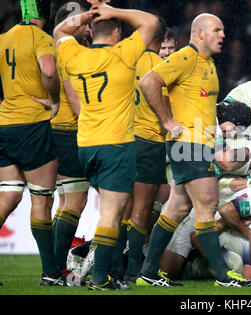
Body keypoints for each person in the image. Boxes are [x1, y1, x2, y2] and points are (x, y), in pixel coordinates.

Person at [136, 13, 251, 287]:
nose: (223, 35)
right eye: (217, 30)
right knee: (207, 204)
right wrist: (167, 121)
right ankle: (223, 276)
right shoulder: (185, 58)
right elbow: (149, 82)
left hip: (197, 143)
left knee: (177, 207)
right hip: (189, 144)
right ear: (200, 32)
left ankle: (147, 272)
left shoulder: (208, 64)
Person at [54, 2, 160, 290]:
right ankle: (101, 278)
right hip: (116, 144)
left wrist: (88, 15)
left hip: (86, 144)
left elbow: (60, 29)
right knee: (112, 213)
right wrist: (112, 10)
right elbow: (151, 22)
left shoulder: (75, 55)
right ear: (116, 32)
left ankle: (106, 269)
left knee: (113, 212)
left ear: (90, 30)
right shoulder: (124, 54)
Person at [0, 0, 62, 286]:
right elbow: (48, 71)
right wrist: (55, 99)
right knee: (41, 198)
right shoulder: (41, 38)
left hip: (4, 125)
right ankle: (50, 273)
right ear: (44, 12)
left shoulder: (4, 37)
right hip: (32, 124)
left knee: (8, 197)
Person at [122, 15, 168, 284]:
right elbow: (166, 109)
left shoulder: (124, 61)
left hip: (121, 140)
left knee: (120, 208)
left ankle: (110, 267)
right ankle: (133, 272)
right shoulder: (161, 66)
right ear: (161, 39)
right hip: (149, 141)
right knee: (141, 208)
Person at [51, 1, 91, 282]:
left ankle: (54, 263)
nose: (87, 28)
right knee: (75, 200)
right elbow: (76, 97)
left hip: (56, 129)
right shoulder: (69, 52)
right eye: (82, 23)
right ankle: (55, 267)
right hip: (71, 130)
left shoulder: (56, 50)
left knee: (66, 200)